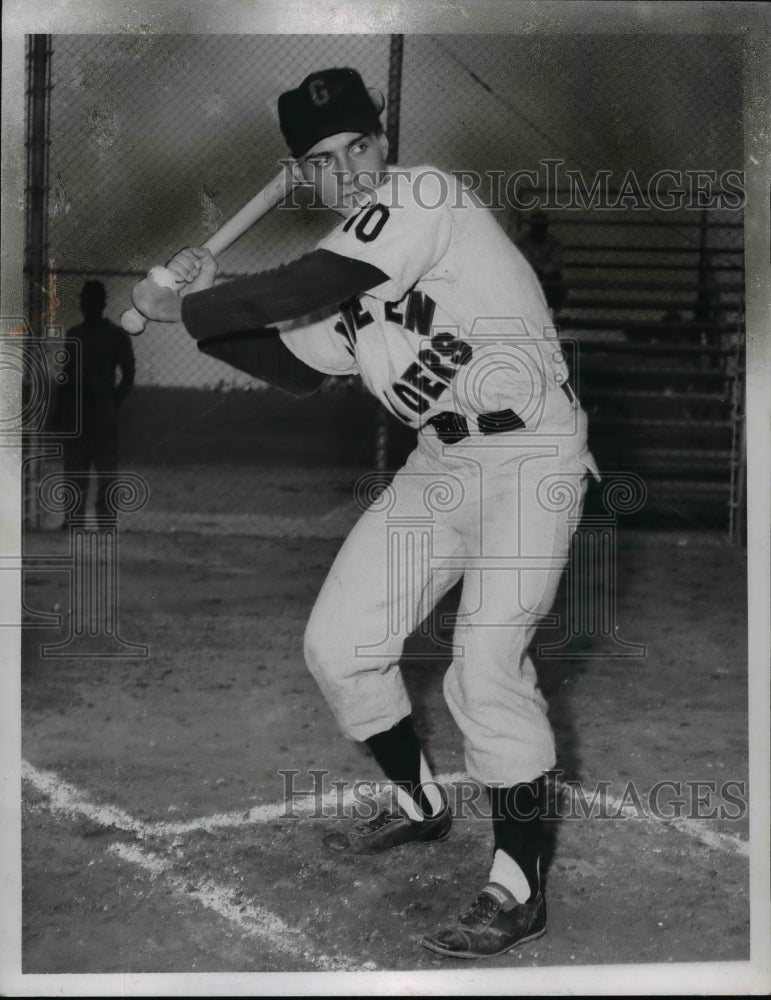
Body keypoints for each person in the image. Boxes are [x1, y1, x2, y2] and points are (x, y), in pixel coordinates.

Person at [132, 67, 599, 959]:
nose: (348, 169)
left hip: (532, 454)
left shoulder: (426, 195)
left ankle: (516, 885)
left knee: (484, 667)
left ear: (382, 142)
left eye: (359, 146)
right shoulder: (347, 275)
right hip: (443, 460)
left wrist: (180, 304)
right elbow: (297, 366)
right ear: (302, 174)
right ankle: (420, 801)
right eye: (322, 160)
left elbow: (313, 278)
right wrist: (199, 305)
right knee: (339, 646)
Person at [54, 280, 135, 525]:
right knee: (78, 470)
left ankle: (101, 521)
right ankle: (77, 520)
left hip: (97, 410)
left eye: (90, 300)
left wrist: (114, 401)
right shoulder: (77, 335)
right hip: (84, 411)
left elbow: (129, 372)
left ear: (101, 304)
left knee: (103, 471)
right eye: (84, 300)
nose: (86, 305)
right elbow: (67, 375)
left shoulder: (114, 335)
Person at [510, 209, 566, 315]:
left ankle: (550, 312)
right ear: (532, 227)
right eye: (536, 226)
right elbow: (520, 261)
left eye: (541, 226)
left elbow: (556, 263)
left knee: (556, 280)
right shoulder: (522, 242)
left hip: (546, 276)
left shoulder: (553, 243)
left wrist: (543, 268)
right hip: (528, 275)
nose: (538, 230)